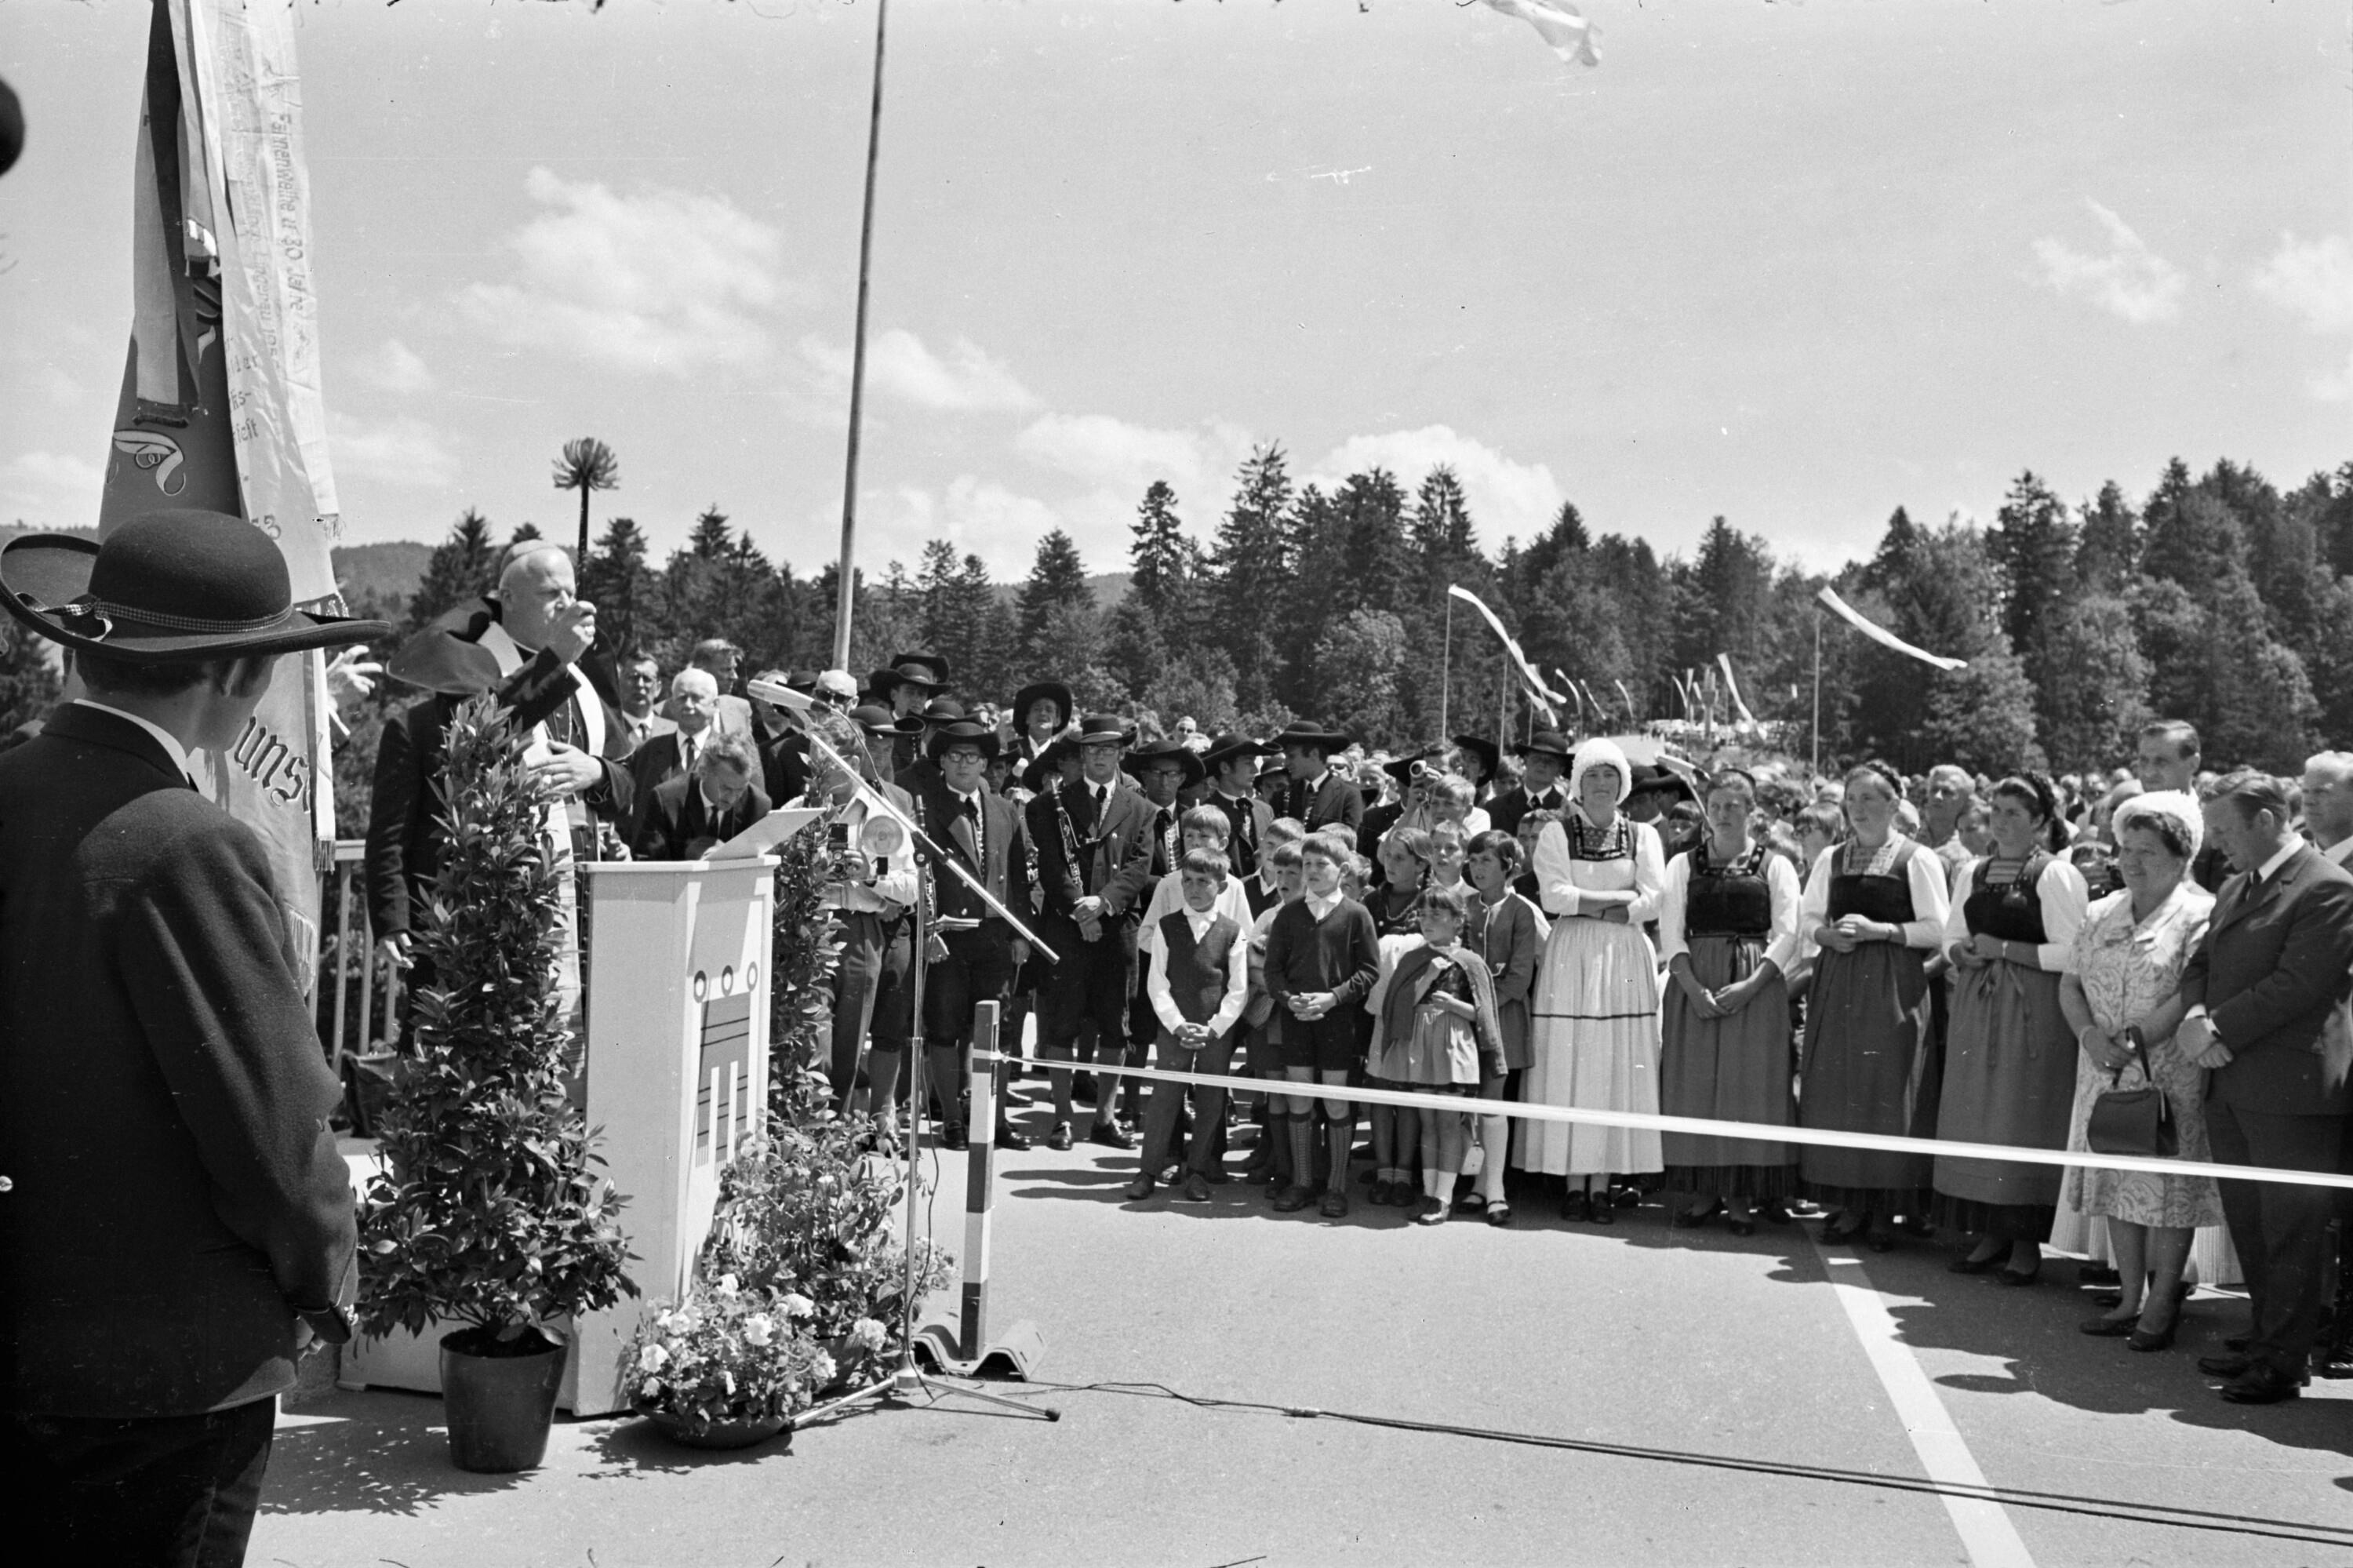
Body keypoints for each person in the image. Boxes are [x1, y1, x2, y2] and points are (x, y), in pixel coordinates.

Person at [0, 511, 383, 1563]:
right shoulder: (187, 842)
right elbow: (276, 1140)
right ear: (239, 675)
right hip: (164, 1376)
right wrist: (327, 1282)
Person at [369, 541, 633, 991]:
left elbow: (627, 785)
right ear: (507, 599)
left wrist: (598, 772)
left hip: (580, 904)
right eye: (551, 594)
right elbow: (477, 739)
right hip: (480, 909)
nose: (567, 604)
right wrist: (392, 918)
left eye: (572, 593)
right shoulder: (469, 673)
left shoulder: (585, 682)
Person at [2177, 770, 2353, 1403]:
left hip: (2289, 1091)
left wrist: (2215, 1026)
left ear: (2268, 820)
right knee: (2251, 1223)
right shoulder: (2236, 885)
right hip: (2232, 1078)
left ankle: (2283, 1359)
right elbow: (2200, 963)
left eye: (2224, 828)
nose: (2216, 842)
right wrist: (2197, 1017)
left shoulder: (2328, 887)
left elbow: (2299, 984)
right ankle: (2265, 1336)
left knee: (2290, 1230)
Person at [2057, 791, 2219, 1352]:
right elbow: (2070, 983)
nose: (2131, 860)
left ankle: (2162, 1301)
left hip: (2167, 1072)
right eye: (2126, 848)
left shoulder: (2200, 914)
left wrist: (2135, 1040)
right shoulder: (2101, 910)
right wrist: (2090, 1037)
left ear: (2181, 857)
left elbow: (2191, 989)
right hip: (2103, 1069)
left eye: (2147, 851)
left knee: (2169, 1190)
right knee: (2117, 1181)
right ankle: (2129, 1297)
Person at [1932, 775, 2090, 1283]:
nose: (2000, 822)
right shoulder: (1973, 871)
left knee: (2022, 1115)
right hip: (1979, 1005)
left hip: (2034, 1008)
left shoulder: (2055, 874)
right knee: (1980, 1116)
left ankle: (2025, 1242)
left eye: (2014, 813)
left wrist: (2004, 950)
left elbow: (2074, 952)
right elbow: (1951, 936)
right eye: (1996, 811)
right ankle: (1991, 1232)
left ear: (2040, 821)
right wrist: (1962, 953)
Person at [1792, 761, 1953, 1251]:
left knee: (1887, 1088)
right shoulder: (1832, 858)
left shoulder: (1916, 859)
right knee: (1840, 1088)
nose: (1858, 809)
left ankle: (1886, 1207)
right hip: (1839, 980)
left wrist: (1880, 931)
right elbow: (1807, 917)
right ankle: (1849, 1203)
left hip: (1893, 983)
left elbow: (1939, 928)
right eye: (1852, 799)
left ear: (1893, 804)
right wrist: (1825, 935)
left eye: (1869, 799)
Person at [1518, 738, 1668, 1223]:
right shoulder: (1556, 833)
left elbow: (1654, 899)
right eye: (1592, 775)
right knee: (1571, 1060)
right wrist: (1616, 901)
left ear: (1622, 783)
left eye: (1610, 775)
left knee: (1613, 1063)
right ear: (1578, 783)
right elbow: (1554, 897)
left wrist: (1597, 904)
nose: (1601, 784)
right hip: (1572, 955)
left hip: (1624, 955)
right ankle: (1572, 1182)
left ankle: (1602, 1182)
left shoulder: (1643, 836)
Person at [1659, 769, 1804, 1234]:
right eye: (1716, 805)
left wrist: (1751, 986)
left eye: (1733, 806)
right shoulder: (1682, 865)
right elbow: (1670, 932)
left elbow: (1788, 934)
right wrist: (1691, 988)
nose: (1723, 814)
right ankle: (1704, 1192)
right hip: (1695, 982)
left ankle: (1741, 1197)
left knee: (1748, 1088)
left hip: (1754, 985)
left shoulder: (1775, 866)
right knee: (1697, 1086)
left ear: (1752, 811)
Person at [1029, 714, 1157, 1151]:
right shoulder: (1049, 805)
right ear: (1081, 754)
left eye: (1109, 749)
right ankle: (1062, 1118)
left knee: (1116, 1024)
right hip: (1067, 928)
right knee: (1062, 1023)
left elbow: (1139, 865)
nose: (1100, 756)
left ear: (1120, 754)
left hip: (1117, 927)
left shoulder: (1140, 807)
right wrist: (1080, 912)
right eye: (1092, 749)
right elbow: (1051, 867)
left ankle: (1104, 1118)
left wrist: (1102, 904)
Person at [910, 720, 1034, 1152]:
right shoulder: (924, 808)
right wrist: (928, 928)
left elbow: (1019, 878)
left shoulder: (1003, 809)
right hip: (947, 937)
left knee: (996, 1030)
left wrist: (1021, 933)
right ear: (942, 762)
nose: (964, 765)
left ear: (986, 764)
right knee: (944, 1028)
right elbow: (919, 876)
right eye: (955, 757)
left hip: (995, 937)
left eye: (973, 758)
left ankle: (993, 1120)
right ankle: (952, 1120)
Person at [791, 728, 920, 1120]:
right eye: (813, 760)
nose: (816, 770)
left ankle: (834, 1132)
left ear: (853, 763)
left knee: (849, 1044)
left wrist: (870, 874)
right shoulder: (797, 809)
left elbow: (910, 888)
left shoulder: (881, 816)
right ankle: (810, 1126)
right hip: (810, 928)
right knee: (815, 1042)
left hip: (860, 933)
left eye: (826, 761)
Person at [1366, 884, 1507, 1225]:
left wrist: (1456, 1006)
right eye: (1423, 915)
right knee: (1427, 1123)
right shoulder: (1413, 960)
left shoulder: (1470, 962)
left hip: (1453, 1048)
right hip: (1421, 1048)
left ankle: (1444, 1197)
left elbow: (1484, 1015)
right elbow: (1397, 1007)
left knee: (1447, 1123)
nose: (1427, 921)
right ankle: (1430, 1193)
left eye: (1436, 915)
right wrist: (1426, 977)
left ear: (1457, 921)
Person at [1263, 831, 1380, 1218]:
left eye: (1321, 865)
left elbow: (1370, 970)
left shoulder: (1356, 914)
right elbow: (1273, 971)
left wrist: (1334, 997)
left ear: (1342, 870)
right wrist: (1288, 999)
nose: (1312, 871)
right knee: (1299, 1099)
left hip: (1338, 1022)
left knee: (1335, 1100)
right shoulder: (1288, 914)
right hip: (1297, 1019)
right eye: (1307, 864)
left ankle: (1336, 1186)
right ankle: (1302, 1181)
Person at [1126, 849, 1251, 1203]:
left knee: (1211, 1098)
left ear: (1221, 887)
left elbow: (1238, 989)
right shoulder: (1167, 927)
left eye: (1203, 882)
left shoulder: (1233, 932)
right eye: (1188, 882)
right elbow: (1157, 983)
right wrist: (1177, 1024)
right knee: (1165, 1096)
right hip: (1175, 1028)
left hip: (1215, 1030)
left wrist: (1214, 1028)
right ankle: (1148, 1171)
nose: (1193, 889)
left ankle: (1197, 1170)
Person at [2297, 751, 2353, 1378]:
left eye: (2326, 790)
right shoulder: (2301, 861)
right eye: (2306, 789)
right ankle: (2307, 1318)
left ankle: (2347, 1330)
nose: (2310, 799)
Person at [1463, 829, 1546, 1222]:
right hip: (1464, 1015)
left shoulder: (1521, 911)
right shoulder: (1466, 907)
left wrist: (1478, 1005)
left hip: (1503, 1017)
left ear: (1508, 867)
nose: (1478, 868)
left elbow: (1518, 979)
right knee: (1472, 1103)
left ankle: (1495, 1190)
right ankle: (1478, 1183)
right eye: (1473, 860)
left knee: (1494, 1101)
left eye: (1487, 861)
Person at [631, 731, 772, 861]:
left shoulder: (758, 805)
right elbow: (647, 862)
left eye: (740, 790)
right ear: (703, 773)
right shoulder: (666, 800)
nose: (732, 798)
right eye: (725, 788)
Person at [2135, 720, 2231, 893]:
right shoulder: (2129, 820)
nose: (2148, 772)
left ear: (2193, 763)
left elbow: (2231, 902)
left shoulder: (2217, 825)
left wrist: (2181, 881)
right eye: (2143, 761)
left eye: (2161, 762)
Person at [625, 668, 721, 836]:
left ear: (715, 704)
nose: (688, 705)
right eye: (682, 698)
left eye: (696, 698)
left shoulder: (732, 752)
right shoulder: (647, 752)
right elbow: (629, 807)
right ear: (671, 704)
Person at [1200, 733, 1277, 905]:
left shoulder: (1264, 810)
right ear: (1225, 768)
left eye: (1255, 762)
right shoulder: (1205, 813)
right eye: (1248, 763)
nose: (1255, 770)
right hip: (1223, 902)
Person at [1273, 721, 1365, 847]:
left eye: (1292, 756)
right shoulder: (1282, 795)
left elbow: (1348, 843)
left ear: (1314, 754)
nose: (1286, 763)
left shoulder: (1348, 795)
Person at [663, 638, 753, 741]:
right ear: (702, 670)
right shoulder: (666, 712)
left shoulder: (740, 708)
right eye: (727, 669)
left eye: (734, 669)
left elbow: (749, 750)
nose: (734, 677)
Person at [1487, 729, 1572, 837]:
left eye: (1550, 761)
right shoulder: (1495, 807)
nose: (1542, 764)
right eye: (1536, 758)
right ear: (1526, 761)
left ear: (1560, 769)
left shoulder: (1569, 813)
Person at [1922, 763, 1977, 881]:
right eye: (1934, 790)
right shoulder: (1907, 836)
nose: (1937, 797)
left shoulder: (1971, 846)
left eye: (1947, 792)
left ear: (1965, 801)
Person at [1008, 679, 1074, 772]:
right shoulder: (1012, 751)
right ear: (1027, 718)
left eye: (1049, 710)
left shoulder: (1064, 756)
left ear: (1057, 720)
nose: (1043, 713)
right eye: (1037, 709)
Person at [616, 653, 674, 752]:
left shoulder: (674, 732)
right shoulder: (609, 730)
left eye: (647, 679)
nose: (640, 685)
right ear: (619, 683)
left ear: (658, 688)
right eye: (633, 677)